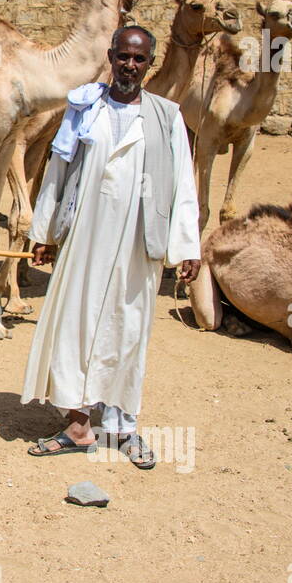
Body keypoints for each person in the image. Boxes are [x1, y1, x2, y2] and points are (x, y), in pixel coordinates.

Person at [20, 25, 200, 469]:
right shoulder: (83, 107)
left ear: (149, 64)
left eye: (139, 59)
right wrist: (44, 233)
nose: (130, 66)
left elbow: (183, 185)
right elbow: (57, 172)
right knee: (74, 325)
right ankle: (78, 426)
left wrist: (186, 246)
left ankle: (122, 428)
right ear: (111, 56)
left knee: (128, 329)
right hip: (85, 236)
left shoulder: (167, 116)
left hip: (139, 243)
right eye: (123, 57)